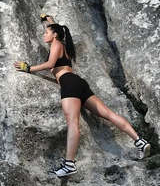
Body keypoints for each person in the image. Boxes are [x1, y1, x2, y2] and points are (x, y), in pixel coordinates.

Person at [14, 14, 150, 177]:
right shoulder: (63, 43)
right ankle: (139, 141)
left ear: (54, 35)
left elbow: (50, 64)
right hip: (78, 82)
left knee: (73, 123)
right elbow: (59, 29)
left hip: (68, 83)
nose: (44, 34)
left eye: (46, 32)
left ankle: (69, 164)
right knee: (108, 113)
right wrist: (49, 19)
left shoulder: (56, 44)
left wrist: (28, 68)